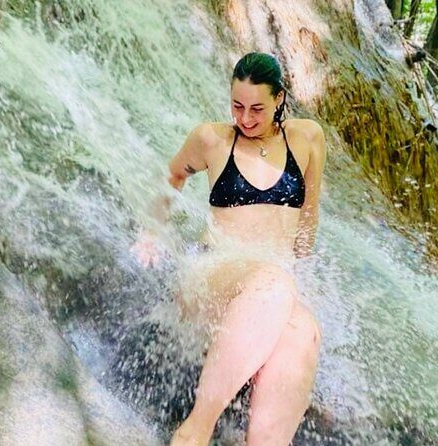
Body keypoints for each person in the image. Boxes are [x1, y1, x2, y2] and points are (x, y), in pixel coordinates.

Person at [132, 52, 326, 446]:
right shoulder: (211, 139)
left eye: (257, 108)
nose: (245, 118)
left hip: (272, 284)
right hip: (214, 272)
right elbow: (172, 177)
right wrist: (151, 232)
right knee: (273, 284)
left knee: (303, 331)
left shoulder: (308, 138)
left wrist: (303, 277)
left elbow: (309, 215)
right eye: (237, 106)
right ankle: (194, 431)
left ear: (279, 99)